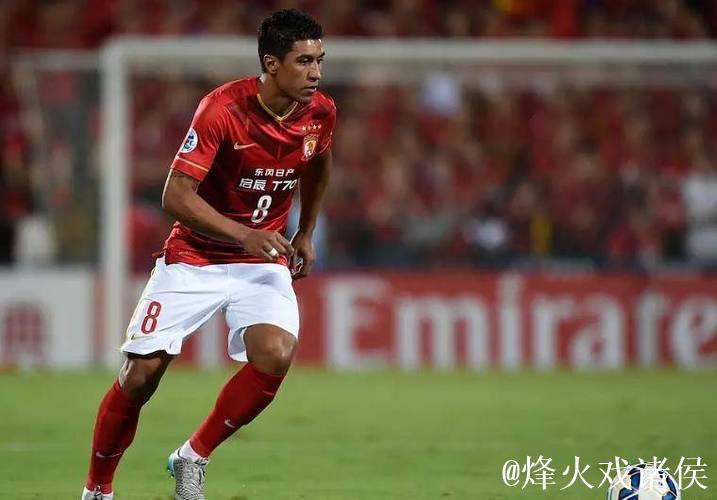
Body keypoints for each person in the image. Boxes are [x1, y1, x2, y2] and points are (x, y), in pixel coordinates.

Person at [81, 9, 335, 500]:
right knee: (140, 375)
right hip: (195, 256)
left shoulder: (320, 112)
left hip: (261, 259)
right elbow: (175, 196)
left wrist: (306, 231)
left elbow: (320, 164)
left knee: (276, 354)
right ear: (272, 63)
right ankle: (97, 490)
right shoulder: (222, 109)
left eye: (319, 60)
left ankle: (192, 457)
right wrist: (244, 234)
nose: (316, 73)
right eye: (304, 61)